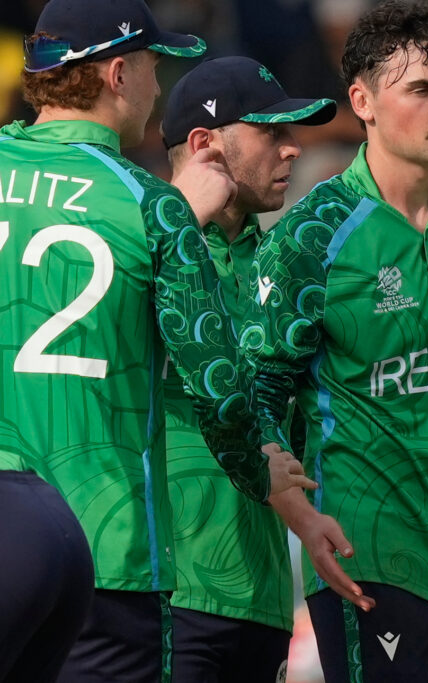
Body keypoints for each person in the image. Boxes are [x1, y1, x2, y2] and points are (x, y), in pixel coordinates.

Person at [0, 1, 315, 681]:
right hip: (107, 550)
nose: (157, 85)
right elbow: (220, 389)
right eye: (152, 65)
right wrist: (257, 467)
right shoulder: (150, 203)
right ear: (118, 72)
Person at [239, 2, 428, 681]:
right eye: (422, 89)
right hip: (368, 557)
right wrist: (302, 516)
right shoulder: (315, 234)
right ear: (361, 100)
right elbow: (253, 393)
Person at [161, 56, 336, 683]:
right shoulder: (136, 245)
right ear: (206, 143)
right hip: (165, 588)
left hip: (263, 598)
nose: (293, 149)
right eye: (270, 132)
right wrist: (183, 219)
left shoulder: (286, 265)